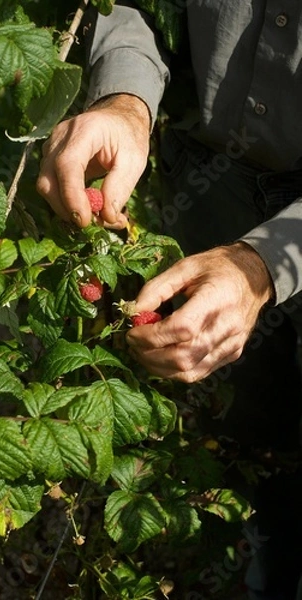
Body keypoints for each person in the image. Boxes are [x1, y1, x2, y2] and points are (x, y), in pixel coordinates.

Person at [36, 2, 302, 598]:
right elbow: (128, 5)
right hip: (209, 187)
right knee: (252, 417)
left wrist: (264, 261)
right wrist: (125, 100)